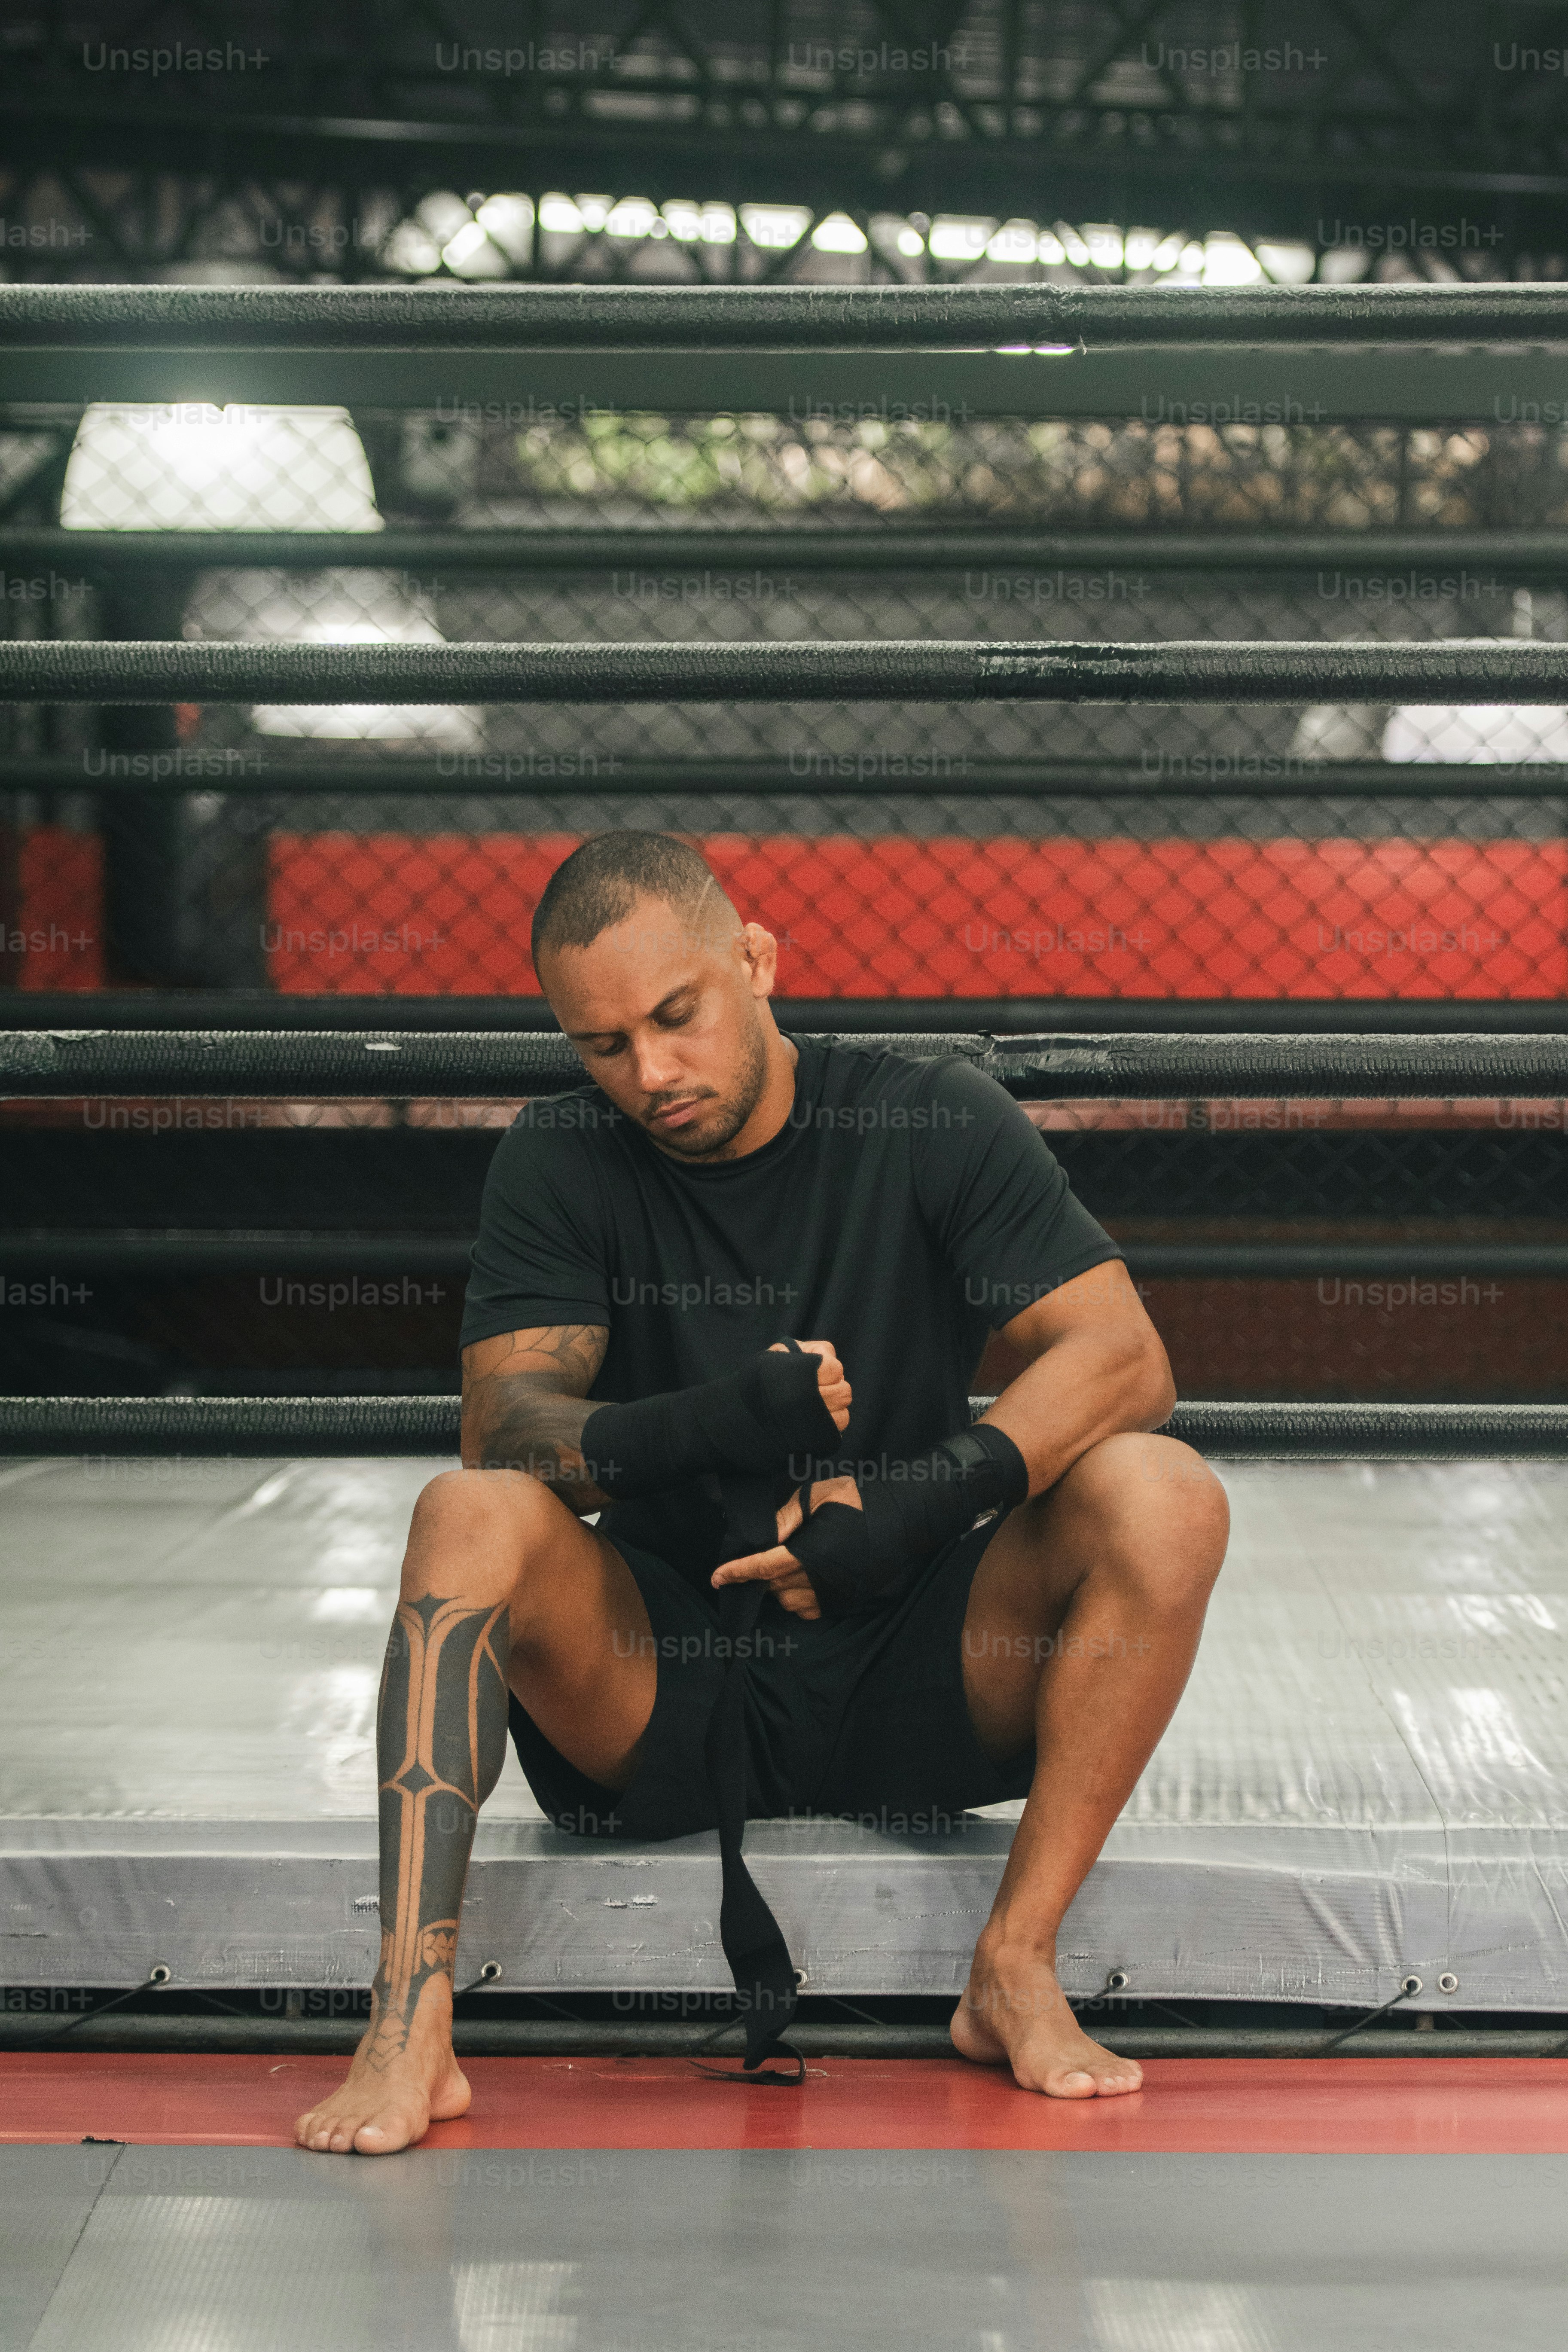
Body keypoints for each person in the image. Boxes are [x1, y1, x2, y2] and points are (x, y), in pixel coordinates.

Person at [296, 832, 1228, 2156]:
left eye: (676, 1016)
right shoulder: (563, 1156)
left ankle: (1012, 1962)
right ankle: (408, 2024)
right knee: (464, 1514)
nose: (651, 1074)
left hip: (915, 1655)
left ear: (755, 957)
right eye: (603, 1045)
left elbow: (1124, 1357)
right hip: (668, 1676)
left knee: (1162, 1492)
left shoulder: (929, 1117)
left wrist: (906, 1507)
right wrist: (712, 1424)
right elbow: (505, 1424)